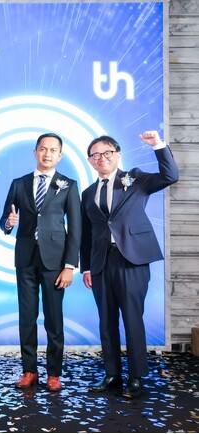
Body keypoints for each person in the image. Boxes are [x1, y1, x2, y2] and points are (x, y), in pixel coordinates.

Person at [81, 130, 178, 399]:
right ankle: (112, 375)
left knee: (133, 318)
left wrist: (158, 145)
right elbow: (87, 234)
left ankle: (136, 376)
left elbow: (170, 176)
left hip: (132, 259)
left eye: (107, 152)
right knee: (106, 321)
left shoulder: (134, 179)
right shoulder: (88, 193)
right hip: (101, 263)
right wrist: (86, 267)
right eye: (95, 155)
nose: (102, 158)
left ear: (118, 155)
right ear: (90, 161)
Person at [0, 133, 81, 392]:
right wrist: (8, 223)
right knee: (27, 317)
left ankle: (54, 374)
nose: (47, 154)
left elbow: (76, 228)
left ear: (60, 155)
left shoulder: (68, 185)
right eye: (43, 149)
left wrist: (69, 266)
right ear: (35, 152)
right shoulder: (19, 183)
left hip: (55, 261)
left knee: (54, 319)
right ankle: (29, 370)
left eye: (53, 150)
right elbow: (5, 220)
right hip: (26, 258)